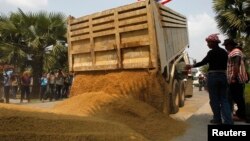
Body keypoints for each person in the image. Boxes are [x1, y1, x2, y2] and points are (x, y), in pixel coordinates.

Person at [186, 33, 233, 124]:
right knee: (224, 99)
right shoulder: (224, 52)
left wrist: (191, 65)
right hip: (223, 76)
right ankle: (228, 121)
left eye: (209, 42)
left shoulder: (211, 52)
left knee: (214, 99)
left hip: (213, 76)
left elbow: (203, 62)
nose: (207, 44)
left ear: (214, 42)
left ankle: (217, 119)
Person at [222, 38, 248, 121]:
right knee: (237, 97)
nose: (225, 47)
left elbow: (236, 65)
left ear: (231, 45)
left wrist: (234, 77)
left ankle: (241, 116)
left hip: (236, 79)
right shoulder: (234, 52)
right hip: (236, 78)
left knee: (238, 98)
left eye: (226, 45)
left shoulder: (235, 52)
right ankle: (239, 114)